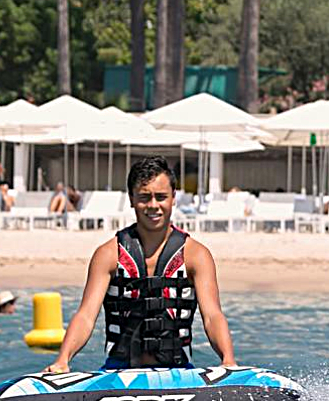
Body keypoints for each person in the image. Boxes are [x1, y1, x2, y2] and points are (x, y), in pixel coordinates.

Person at [46, 155, 235, 373]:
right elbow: (86, 316)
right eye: (144, 197)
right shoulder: (108, 254)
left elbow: (212, 316)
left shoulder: (196, 255)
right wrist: (63, 360)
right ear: (131, 199)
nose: (153, 205)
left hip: (178, 370)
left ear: (174, 198)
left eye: (161, 197)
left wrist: (227, 360)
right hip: (118, 370)